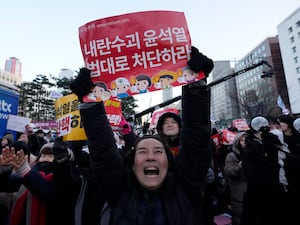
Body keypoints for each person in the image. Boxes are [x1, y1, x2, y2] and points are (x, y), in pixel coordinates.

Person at [70, 46, 214, 225]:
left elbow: (196, 141)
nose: (151, 157)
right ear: (132, 163)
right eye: (143, 151)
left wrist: (196, 84)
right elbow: (102, 149)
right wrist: (89, 100)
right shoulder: (119, 190)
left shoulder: (184, 189)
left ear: (169, 163)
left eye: (159, 152)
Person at [0, 138, 81, 225]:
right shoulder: (29, 175)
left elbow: (51, 194)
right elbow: (5, 185)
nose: (46, 159)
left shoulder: (72, 179)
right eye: (43, 155)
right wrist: (4, 169)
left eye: (51, 156)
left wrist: (25, 172)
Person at [240, 116, 286, 225]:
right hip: (257, 192)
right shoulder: (250, 147)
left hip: (274, 189)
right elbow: (251, 173)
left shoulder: (271, 141)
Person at [224, 132, 248, 225]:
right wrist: (239, 166)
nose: (244, 142)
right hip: (239, 194)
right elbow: (228, 171)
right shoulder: (232, 156)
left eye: (246, 140)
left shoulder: (254, 154)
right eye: (242, 140)